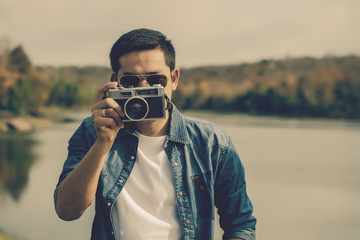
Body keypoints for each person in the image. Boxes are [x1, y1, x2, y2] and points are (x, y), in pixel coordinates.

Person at [54, 28, 256, 240]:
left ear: (174, 79)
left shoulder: (212, 143)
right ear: (115, 82)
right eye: (131, 82)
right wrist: (103, 143)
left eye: (156, 80)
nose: (144, 89)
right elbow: (67, 211)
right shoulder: (92, 132)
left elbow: (241, 224)